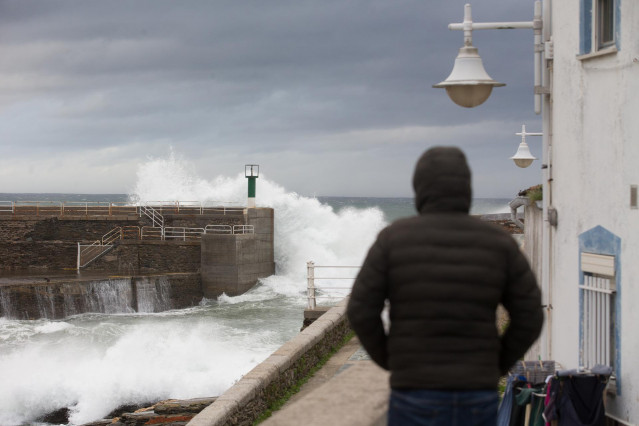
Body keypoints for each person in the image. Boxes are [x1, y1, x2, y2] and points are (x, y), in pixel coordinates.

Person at [347, 146, 543, 426]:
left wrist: (391, 360)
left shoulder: (393, 239)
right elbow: (530, 315)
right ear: (465, 189)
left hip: (413, 389)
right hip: (476, 391)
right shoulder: (497, 243)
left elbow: (360, 310)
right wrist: (495, 364)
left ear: (420, 188)